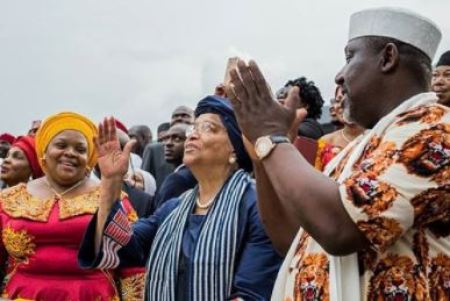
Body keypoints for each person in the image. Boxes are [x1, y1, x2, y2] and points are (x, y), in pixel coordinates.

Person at [225, 7, 448, 300]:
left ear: (388, 57)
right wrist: (261, 154)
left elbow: (340, 228)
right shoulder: (357, 150)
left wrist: (271, 137)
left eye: (350, 57)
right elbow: (291, 238)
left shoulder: (434, 131)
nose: (339, 76)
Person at [79, 96, 283, 300]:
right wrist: (111, 182)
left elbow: (253, 292)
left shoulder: (256, 206)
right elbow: (119, 249)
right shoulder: (174, 209)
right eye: (193, 128)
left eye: (209, 128)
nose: (192, 136)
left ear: (234, 150)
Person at [0, 112, 144, 300]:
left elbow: (131, 264)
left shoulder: (112, 197)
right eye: (61, 145)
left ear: (89, 157)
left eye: (80, 149)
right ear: (44, 150)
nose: (70, 152)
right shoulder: (9, 199)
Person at [142, 107, 194, 188]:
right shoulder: (153, 150)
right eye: (175, 116)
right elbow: (144, 182)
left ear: (195, 120)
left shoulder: (203, 148)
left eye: (185, 115)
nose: (179, 118)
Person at [315, 86, 364, 171]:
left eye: (349, 98)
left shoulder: (378, 139)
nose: (342, 104)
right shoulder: (324, 143)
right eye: (338, 100)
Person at [155, 123, 197, 208]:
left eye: (177, 139)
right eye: (166, 139)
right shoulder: (196, 173)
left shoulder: (177, 179)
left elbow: (161, 218)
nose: (168, 143)